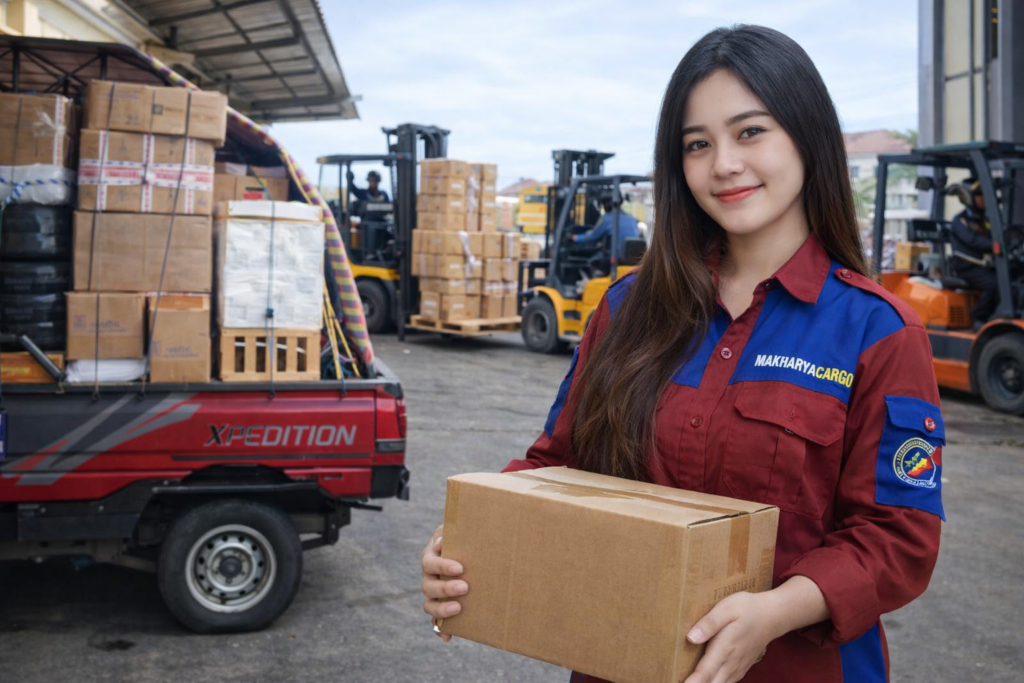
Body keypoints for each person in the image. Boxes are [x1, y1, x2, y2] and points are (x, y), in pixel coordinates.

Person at [422, 24, 944, 683]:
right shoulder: (626, 309)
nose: (723, 163)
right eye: (698, 144)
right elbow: (557, 464)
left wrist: (775, 611)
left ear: (807, 137)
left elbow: (897, 537)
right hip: (619, 659)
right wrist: (471, 539)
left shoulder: (879, 331)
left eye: (750, 131)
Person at [950, 179, 998, 328]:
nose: (984, 198)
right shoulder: (960, 221)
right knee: (994, 284)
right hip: (967, 268)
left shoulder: (988, 220)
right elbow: (973, 240)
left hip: (985, 266)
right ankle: (977, 317)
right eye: (979, 194)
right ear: (968, 197)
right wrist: (995, 245)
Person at [571, 192, 641, 275]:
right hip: (631, 259)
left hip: (614, 258)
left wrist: (575, 238)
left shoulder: (607, 219)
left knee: (592, 262)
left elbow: (593, 236)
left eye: (603, 204)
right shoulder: (632, 218)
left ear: (607, 204)